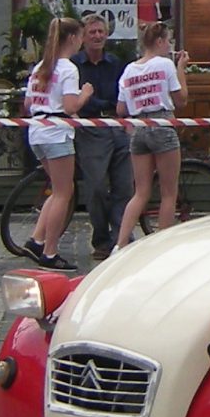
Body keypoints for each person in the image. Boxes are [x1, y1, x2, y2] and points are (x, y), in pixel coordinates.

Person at [20, 17, 87, 268]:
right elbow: (70, 106)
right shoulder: (68, 68)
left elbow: (28, 103)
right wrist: (85, 95)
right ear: (72, 38)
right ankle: (50, 252)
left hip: (37, 131)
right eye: (81, 37)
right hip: (57, 133)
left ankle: (37, 238)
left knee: (58, 189)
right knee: (64, 193)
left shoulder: (40, 67)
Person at [113, 21, 183, 249]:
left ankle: (120, 243)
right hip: (162, 123)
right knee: (168, 193)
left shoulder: (129, 70)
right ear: (160, 41)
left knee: (140, 192)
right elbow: (181, 99)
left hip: (138, 127)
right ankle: (162, 246)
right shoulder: (165, 64)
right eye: (168, 41)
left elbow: (121, 109)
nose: (169, 46)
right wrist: (181, 68)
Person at [70, 13, 133, 260]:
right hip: (90, 127)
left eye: (101, 32)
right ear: (84, 37)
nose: (97, 36)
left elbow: (123, 92)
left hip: (117, 124)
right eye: (92, 32)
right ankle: (101, 239)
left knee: (124, 185)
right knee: (96, 187)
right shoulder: (75, 65)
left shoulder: (115, 63)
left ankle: (121, 238)